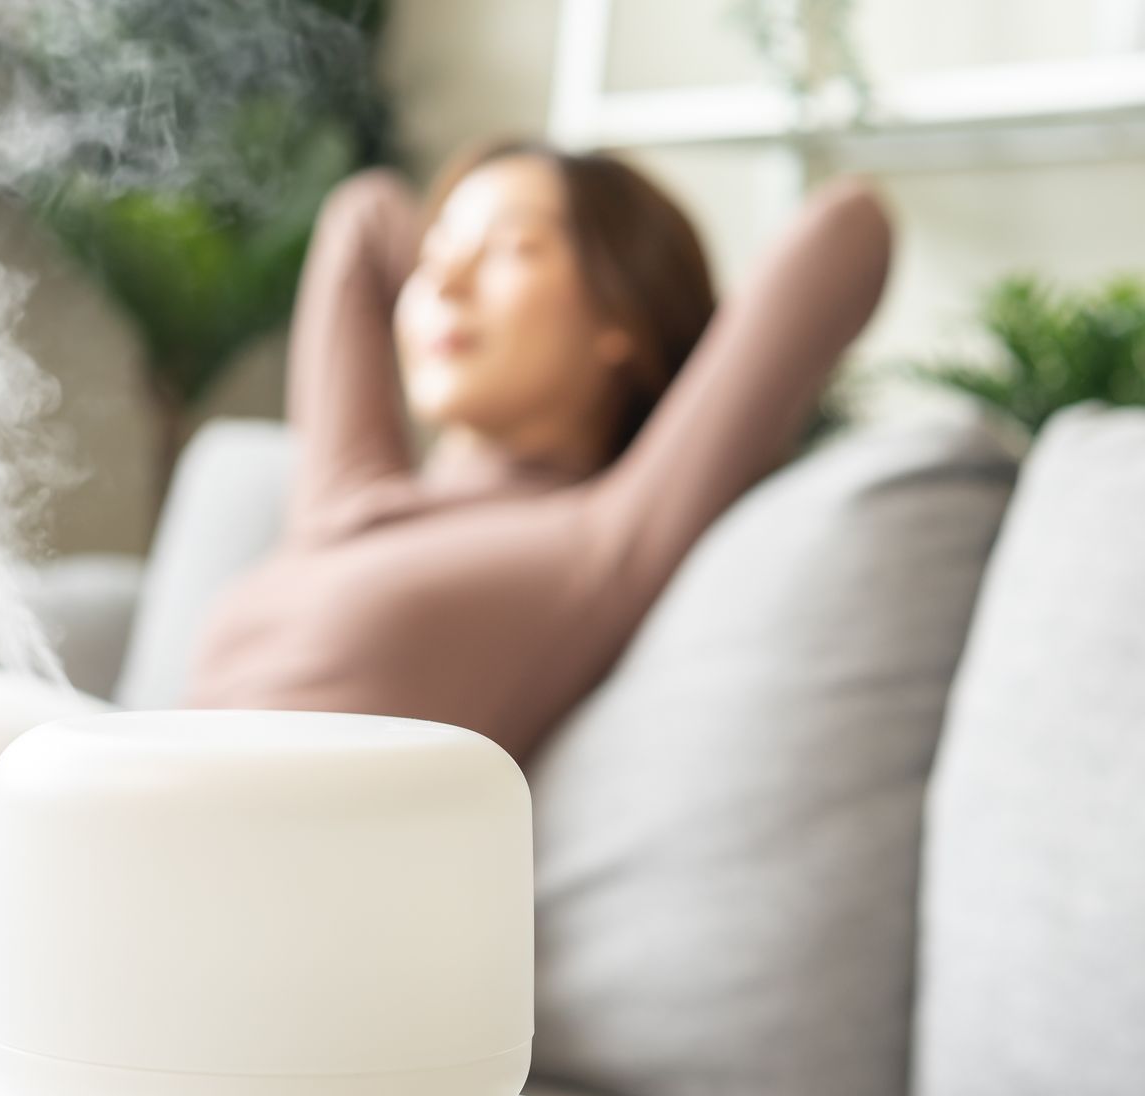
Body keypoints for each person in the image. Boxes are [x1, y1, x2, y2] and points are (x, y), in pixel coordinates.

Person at [184, 139, 894, 760]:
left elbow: (848, 226)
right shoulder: (347, 498)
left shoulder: (599, 539)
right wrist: (474, 258)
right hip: (129, 858)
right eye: (434, 253)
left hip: (256, 897)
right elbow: (363, 216)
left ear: (620, 314)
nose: (444, 281)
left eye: (512, 250)